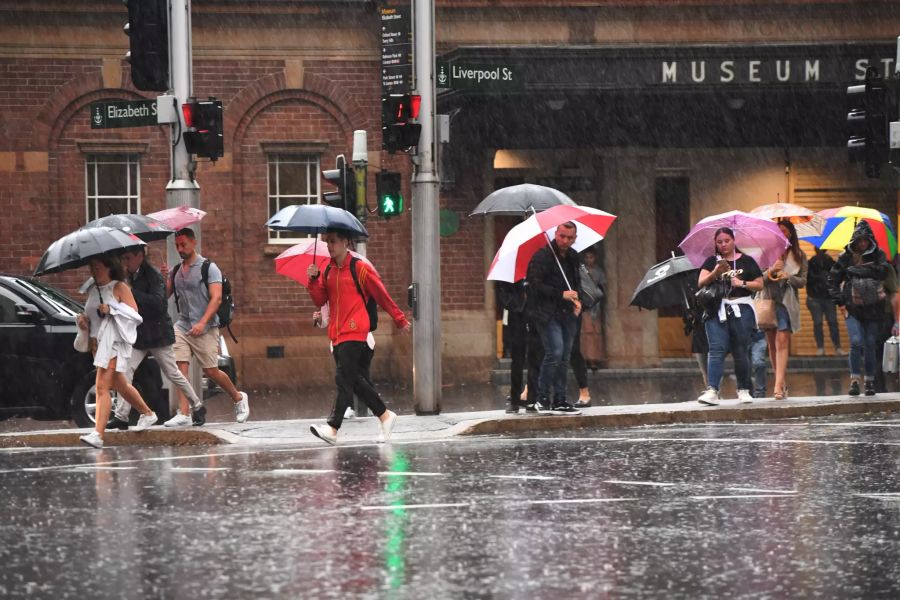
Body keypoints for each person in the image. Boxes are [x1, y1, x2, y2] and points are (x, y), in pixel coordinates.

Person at [306, 228, 411, 445]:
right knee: (353, 380)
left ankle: (333, 428)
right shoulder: (327, 270)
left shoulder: (360, 268)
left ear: (346, 242)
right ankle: (384, 415)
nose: (329, 246)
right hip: (337, 332)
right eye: (327, 242)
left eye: (333, 241)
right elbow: (320, 300)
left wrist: (399, 318)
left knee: (344, 378)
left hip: (355, 329)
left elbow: (381, 294)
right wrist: (313, 280)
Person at [107, 247, 205, 430]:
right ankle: (121, 416)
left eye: (128, 258)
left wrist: (131, 293)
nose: (126, 262)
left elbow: (159, 304)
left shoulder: (152, 276)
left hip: (158, 333)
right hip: (139, 334)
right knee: (125, 371)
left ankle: (197, 406)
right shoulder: (126, 277)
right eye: (123, 259)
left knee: (173, 373)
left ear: (139, 256)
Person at [164, 228, 249, 425]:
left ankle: (238, 398)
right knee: (180, 367)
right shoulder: (176, 271)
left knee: (211, 371)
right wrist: (164, 279)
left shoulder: (209, 268)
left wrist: (202, 322)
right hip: (183, 325)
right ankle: (184, 413)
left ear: (194, 243)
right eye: (177, 245)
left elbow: (217, 297)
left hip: (207, 327)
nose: (180, 249)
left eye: (183, 244)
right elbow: (164, 296)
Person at [78, 253, 158, 448]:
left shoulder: (119, 287)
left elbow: (134, 315)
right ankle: (148, 414)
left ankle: (98, 434)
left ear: (108, 267)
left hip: (113, 343)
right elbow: (91, 316)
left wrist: (112, 309)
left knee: (101, 387)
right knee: (121, 385)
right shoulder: (92, 289)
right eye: (92, 268)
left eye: (97, 267)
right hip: (98, 344)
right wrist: (83, 323)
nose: (94, 271)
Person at [695, 227, 764, 405]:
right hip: (717, 308)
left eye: (727, 241)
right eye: (719, 242)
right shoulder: (712, 261)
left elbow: (760, 284)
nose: (724, 245)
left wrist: (741, 282)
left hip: (741, 306)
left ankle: (743, 389)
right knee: (716, 349)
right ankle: (712, 390)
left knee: (740, 349)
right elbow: (701, 282)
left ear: (734, 241)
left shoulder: (747, 261)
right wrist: (715, 273)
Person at [525, 221, 582, 415]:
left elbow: (576, 283)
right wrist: (560, 294)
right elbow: (534, 284)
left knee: (565, 357)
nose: (565, 241)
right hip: (547, 313)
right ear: (555, 234)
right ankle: (542, 398)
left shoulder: (574, 257)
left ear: (575, 238)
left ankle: (560, 399)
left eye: (569, 237)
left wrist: (577, 299)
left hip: (568, 313)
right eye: (562, 236)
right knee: (555, 352)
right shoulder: (542, 257)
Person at [829, 220, 890, 396]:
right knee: (856, 342)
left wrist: (856, 271)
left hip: (874, 308)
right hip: (852, 308)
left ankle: (870, 381)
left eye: (866, 240)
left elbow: (883, 272)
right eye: (860, 240)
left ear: (870, 240)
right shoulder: (845, 257)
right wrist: (840, 303)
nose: (863, 243)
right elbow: (832, 281)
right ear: (854, 240)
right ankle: (855, 380)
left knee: (870, 344)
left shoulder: (879, 254)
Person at [758, 220, 808, 400]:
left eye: (786, 231)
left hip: (786, 303)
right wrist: (771, 269)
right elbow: (758, 280)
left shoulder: (799, 255)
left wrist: (788, 277)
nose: (782, 234)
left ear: (791, 234)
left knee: (782, 340)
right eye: (779, 231)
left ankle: (778, 386)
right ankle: (782, 382)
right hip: (769, 301)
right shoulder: (766, 254)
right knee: (772, 344)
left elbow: (802, 281)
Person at [498, 280, 531, 413]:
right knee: (517, 360)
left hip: (534, 318)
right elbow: (505, 297)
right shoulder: (509, 276)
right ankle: (515, 398)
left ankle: (532, 396)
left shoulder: (534, 269)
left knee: (535, 359)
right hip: (516, 321)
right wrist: (522, 302)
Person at [806, 246, 845, 356]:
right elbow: (808, 279)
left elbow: (836, 278)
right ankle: (820, 348)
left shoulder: (830, 262)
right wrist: (821, 277)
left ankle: (837, 347)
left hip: (828, 297)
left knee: (833, 322)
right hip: (815, 297)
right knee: (818, 323)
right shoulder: (811, 263)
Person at [579, 247, 606, 371]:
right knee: (586, 332)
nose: (589, 260)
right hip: (585, 305)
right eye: (587, 257)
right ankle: (585, 358)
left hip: (596, 305)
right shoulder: (581, 271)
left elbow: (603, 287)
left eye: (591, 257)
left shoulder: (599, 272)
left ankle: (595, 359)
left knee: (595, 333)